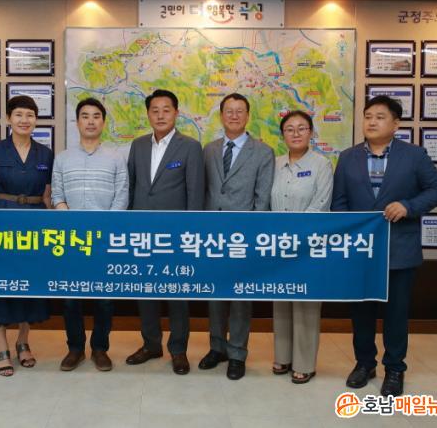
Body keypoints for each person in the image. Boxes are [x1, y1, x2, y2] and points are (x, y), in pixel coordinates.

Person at [332, 95, 437, 396]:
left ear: (396, 124)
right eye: (368, 116)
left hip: (399, 249)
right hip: (361, 250)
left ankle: (395, 368)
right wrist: (349, 237)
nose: (372, 121)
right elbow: (339, 202)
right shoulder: (348, 157)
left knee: (396, 313)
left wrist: (408, 206)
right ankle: (364, 363)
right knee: (362, 312)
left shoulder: (414, 155)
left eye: (380, 117)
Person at [124, 89, 205, 375]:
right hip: (142, 233)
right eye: (154, 110)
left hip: (176, 235)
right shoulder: (138, 145)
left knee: (176, 293)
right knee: (145, 290)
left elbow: (195, 193)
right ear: (148, 114)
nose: (160, 115)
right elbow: (132, 187)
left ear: (176, 113)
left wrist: (191, 234)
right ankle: (151, 344)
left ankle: (178, 349)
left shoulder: (190, 147)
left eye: (166, 110)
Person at [198, 93, 274, 381]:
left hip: (244, 236)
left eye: (239, 111)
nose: (233, 115)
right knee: (215, 293)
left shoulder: (263, 152)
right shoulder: (209, 150)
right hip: (212, 236)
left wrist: (252, 236)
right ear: (221, 116)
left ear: (247, 116)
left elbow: (262, 199)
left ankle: (237, 353)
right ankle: (217, 347)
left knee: (241, 296)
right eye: (228, 111)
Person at [0, 95, 53, 377]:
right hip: (1, 219)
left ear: (36, 120)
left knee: (30, 281)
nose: (24, 120)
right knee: (1, 282)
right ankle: (1, 346)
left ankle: (23, 340)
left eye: (30, 115)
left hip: (36, 221)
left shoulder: (45, 153)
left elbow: (47, 194)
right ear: (9, 118)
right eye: (19, 114)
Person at [51, 97, 129, 372]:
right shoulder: (62, 158)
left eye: (96, 116)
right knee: (71, 297)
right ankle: (75, 348)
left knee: (104, 298)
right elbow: (57, 195)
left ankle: (99, 348)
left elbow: (122, 195)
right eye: (85, 116)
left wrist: (105, 227)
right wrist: (68, 218)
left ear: (103, 122)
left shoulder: (116, 157)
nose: (91, 121)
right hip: (72, 239)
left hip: (104, 238)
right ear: (77, 122)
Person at [270, 110, 333, 384]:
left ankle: (305, 363)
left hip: (308, 245)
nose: (295, 133)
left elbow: (322, 204)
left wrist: (298, 235)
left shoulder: (321, 164)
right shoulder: (274, 163)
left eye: (302, 128)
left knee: (306, 303)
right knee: (281, 300)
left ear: (311, 133)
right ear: (282, 135)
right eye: (289, 129)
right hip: (278, 244)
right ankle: (283, 356)